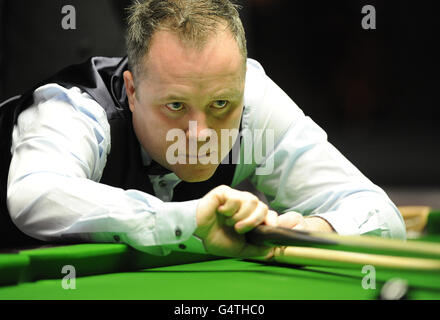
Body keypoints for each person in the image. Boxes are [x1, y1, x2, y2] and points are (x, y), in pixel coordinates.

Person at [0, 0, 405, 257]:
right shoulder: (75, 108)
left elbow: (380, 213)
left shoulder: (252, 98)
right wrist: (191, 219)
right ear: (133, 89)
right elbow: (33, 195)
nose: (199, 135)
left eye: (220, 105)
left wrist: (312, 228)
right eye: (175, 106)